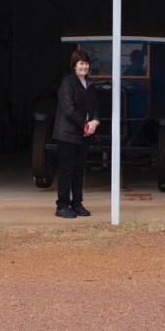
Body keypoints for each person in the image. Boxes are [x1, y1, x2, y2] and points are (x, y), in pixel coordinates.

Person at [51, 48, 100, 218]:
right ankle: (62, 205)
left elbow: (95, 107)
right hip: (67, 134)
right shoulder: (68, 83)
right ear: (74, 65)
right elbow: (68, 109)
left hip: (83, 134)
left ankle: (77, 202)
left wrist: (95, 121)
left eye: (86, 64)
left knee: (79, 170)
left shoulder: (89, 84)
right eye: (81, 63)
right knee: (67, 170)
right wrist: (85, 124)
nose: (84, 67)